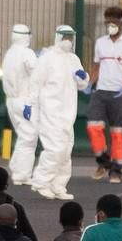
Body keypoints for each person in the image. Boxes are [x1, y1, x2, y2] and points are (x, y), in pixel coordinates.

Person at [26, 24, 90, 200]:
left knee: (66, 149)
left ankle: (58, 185)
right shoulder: (47, 58)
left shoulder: (73, 59)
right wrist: (29, 103)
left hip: (68, 112)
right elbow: (35, 82)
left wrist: (83, 77)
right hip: (50, 111)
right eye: (65, 37)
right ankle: (40, 182)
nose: (68, 41)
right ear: (58, 38)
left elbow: (82, 84)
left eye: (70, 37)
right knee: (55, 149)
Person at [85, 6, 122, 184]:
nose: (111, 25)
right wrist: (89, 83)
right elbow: (96, 67)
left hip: (119, 95)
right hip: (100, 92)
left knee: (118, 134)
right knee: (93, 127)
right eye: (108, 22)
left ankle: (116, 170)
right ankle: (103, 161)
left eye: (114, 22)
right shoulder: (100, 42)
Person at [2, 24, 39, 186]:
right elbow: (36, 72)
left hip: (11, 100)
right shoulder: (27, 53)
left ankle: (16, 167)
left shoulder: (9, 54)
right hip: (24, 100)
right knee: (29, 137)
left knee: (22, 134)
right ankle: (22, 175)